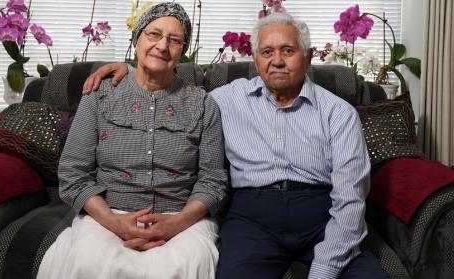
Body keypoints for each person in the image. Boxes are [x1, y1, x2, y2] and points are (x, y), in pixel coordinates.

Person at [82, 12, 386, 279]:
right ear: (255, 59)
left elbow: (350, 200)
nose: (276, 60)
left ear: (307, 57)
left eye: (288, 51)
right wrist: (126, 69)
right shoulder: (222, 100)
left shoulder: (339, 113)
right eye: (267, 51)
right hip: (252, 219)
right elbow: (170, 93)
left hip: (322, 214)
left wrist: (322, 272)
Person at [36, 3, 228, 279]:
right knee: (90, 264)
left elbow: (213, 180)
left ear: (182, 52)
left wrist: (175, 224)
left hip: (181, 215)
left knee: (187, 265)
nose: (162, 46)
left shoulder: (203, 104)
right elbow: (73, 172)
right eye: (153, 34)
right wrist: (115, 222)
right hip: (107, 212)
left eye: (174, 40)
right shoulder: (99, 96)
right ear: (137, 39)